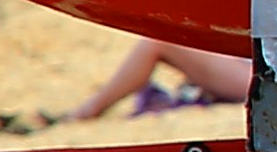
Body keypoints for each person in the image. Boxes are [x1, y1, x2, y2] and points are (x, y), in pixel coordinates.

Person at [60, 35, 255, 122]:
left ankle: (86, 112)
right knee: (163, 42)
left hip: (261, 78)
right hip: (257, 71)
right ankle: (86, 111)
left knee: (158, 43)